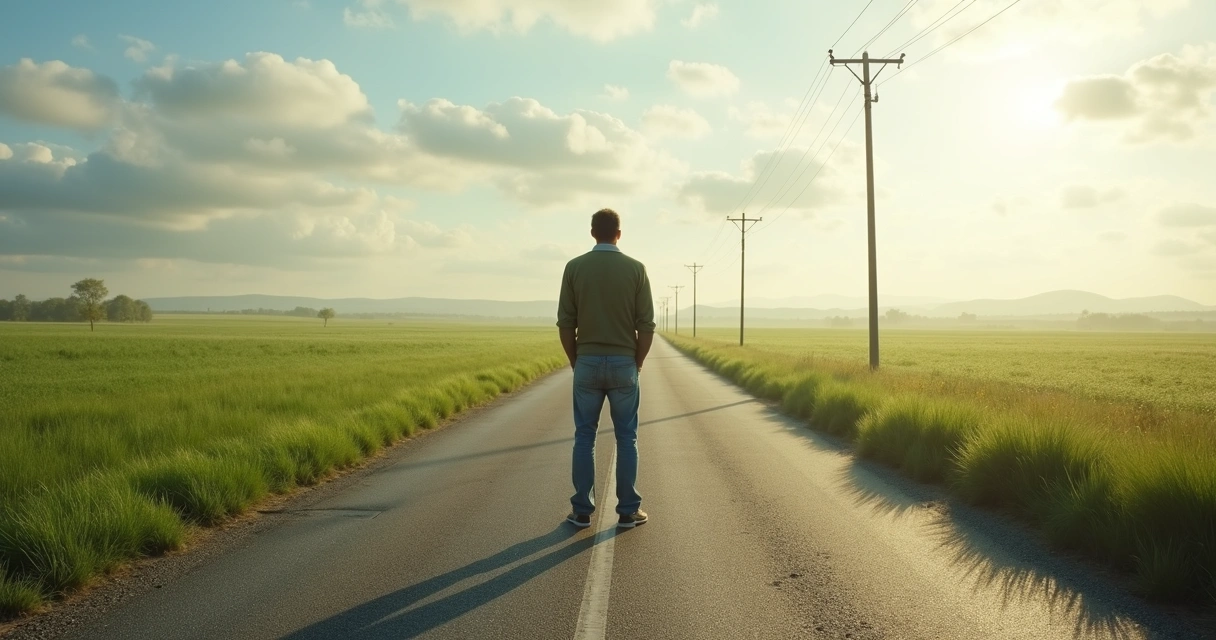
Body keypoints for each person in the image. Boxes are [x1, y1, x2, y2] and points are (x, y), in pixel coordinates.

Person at [557, 208, 656, 529]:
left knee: (584, 437)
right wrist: (637, 361)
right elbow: (647, 325)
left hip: (586, 360)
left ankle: (581, 511)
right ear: (619, 233)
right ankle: (628, 510)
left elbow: (565, 323)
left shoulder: (574, 268)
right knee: (627, 438)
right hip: (624, 362)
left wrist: (576, 359)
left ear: (591, 232)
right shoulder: (636, 269)